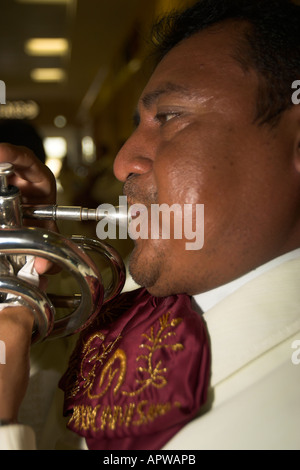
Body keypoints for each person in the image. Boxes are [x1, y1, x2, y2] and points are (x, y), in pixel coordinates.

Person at [0, 0, 300, 450]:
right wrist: (26, 274)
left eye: (170, 117)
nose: (122, 163)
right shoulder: (148, 289)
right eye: (137, 123)